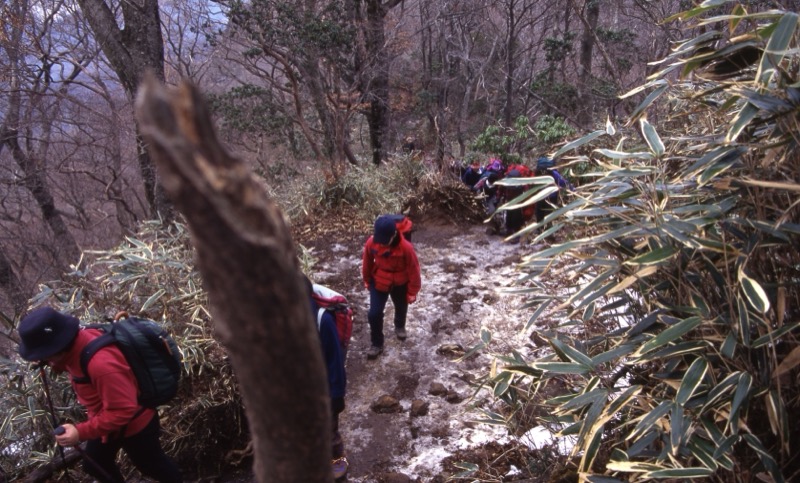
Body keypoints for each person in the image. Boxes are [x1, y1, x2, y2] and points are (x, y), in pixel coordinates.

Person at [17, 307, 182, 483]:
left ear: (59, 347)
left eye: (45, 354)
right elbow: (72, 363)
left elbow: (123, 411)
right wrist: (50, 360)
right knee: (96, 464)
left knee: (153, 466)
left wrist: (79, 432)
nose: (43, 359)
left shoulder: (101, 364)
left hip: (136, 423)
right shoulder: (77, 342)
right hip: (107, 422)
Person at [361, 215, 422, 359]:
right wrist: (367, 280)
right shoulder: (371, 242)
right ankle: (377, 343)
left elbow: (414, 270)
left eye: (384, 241)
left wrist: (413, 291)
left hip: (400, 281)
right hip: (380, 280)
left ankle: (399, 325)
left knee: (401, 306)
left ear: (393, 235)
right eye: (379, 240)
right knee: (374, 314)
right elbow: (367, 262)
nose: (381, 244)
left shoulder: (406, 248)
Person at [306, 277, 348, 480]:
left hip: (325, 385)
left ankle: (336, 459)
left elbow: (335, 362)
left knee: (330, 427)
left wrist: (337, 395)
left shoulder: (323, 321)